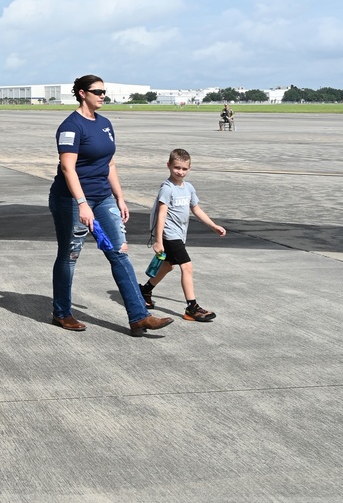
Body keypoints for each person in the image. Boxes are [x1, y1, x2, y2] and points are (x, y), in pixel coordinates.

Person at [49, 75, 171, 336]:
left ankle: (139, 316)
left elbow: (110, 164)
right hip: (70, 199)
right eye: (97, 91)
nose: (103, 95)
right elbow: (68, 168)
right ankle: (61, 312)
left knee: (118, 252)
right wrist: (82, 204)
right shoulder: (71, 126)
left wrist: (119, 197)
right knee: (69, 256)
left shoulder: (105, 124)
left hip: (103, 197)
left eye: (104, 91)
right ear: (82, 93)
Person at [141, 149, 226, 322]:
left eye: (184, 169)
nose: (180, 172)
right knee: (186, 266)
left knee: (168, 265)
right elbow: (161, 214)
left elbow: (196, 209)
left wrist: (213, 225)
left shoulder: (188, 188)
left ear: (189, 168)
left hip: (179, 234)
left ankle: (144, 291)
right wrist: (158, 240)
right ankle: (192, 307)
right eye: (176, 167)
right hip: (169, 234)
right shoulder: (167, 188)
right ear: (169, 166)